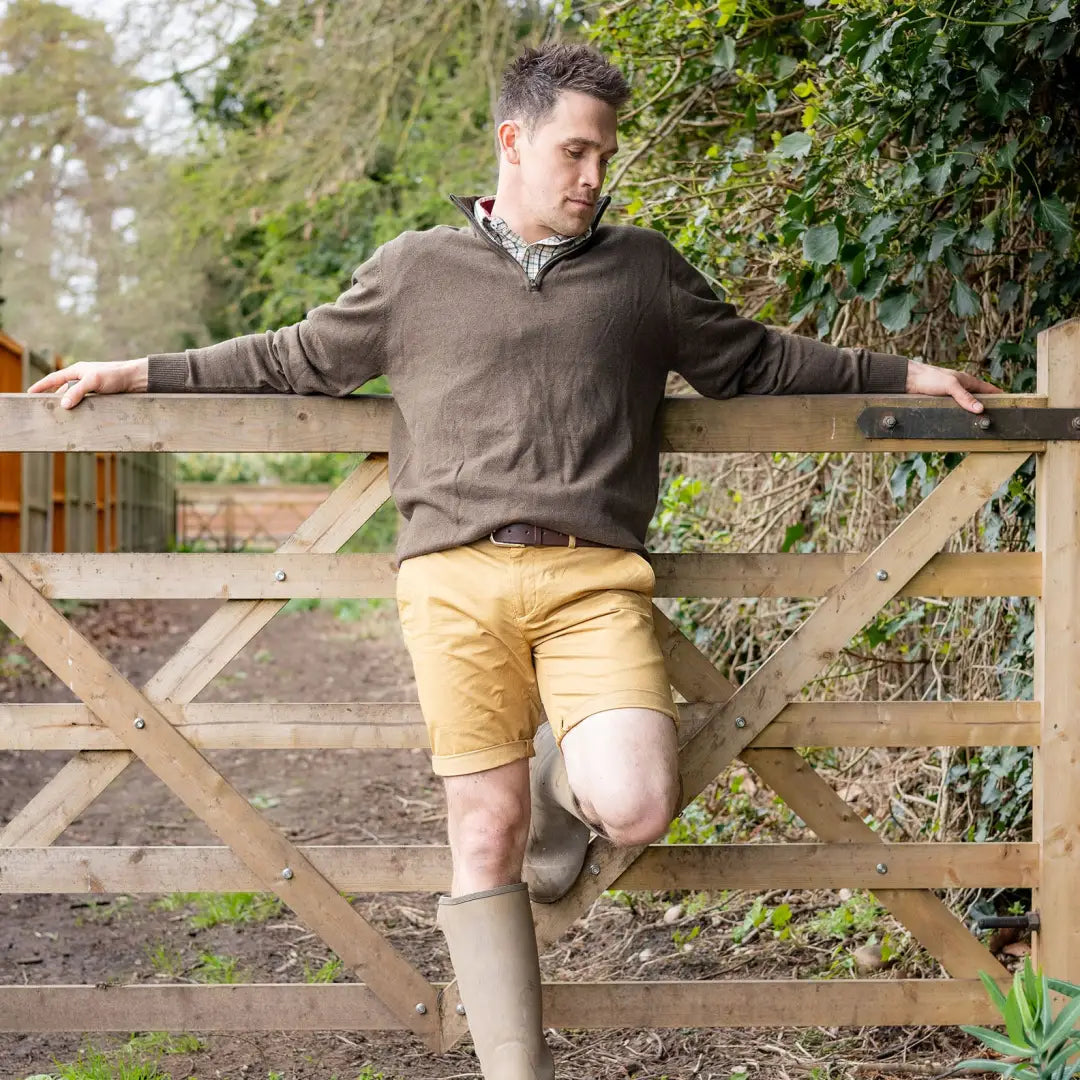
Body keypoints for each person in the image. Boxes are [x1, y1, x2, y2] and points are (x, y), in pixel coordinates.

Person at [29, 42, 999, 1080]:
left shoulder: (644, 273)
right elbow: (290, 355)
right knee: (478, 830)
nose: (593, 176)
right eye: (575, 151)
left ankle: (559, 787)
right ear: (512, 142)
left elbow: (755, 359)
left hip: (593, 585)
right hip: (452, 583)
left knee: (632, 803)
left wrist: (904, 369)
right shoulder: (413, 271)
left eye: (604, 156)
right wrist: (138, 370)